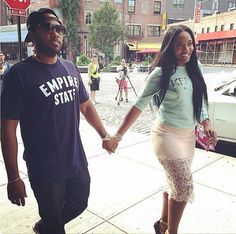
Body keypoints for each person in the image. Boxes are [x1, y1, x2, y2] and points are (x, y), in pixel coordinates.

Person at [1, 8, 118, 234]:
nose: (55, 33)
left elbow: (85, 105)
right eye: (48, 27)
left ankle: (45, 227)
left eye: (59, 28)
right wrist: (13, 177)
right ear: (32, 34)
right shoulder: (19, 75)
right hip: (45, 167)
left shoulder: (71, 68)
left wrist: (104, 135)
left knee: (80, 202)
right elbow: (7, 128)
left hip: (75, 159)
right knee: (56, 227)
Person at [111, 25, 218, 234]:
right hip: (166, 135)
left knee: (174, 184)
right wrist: (117, 136)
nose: (186, 49)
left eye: (190, 44)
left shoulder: (196, 68)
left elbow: (200, 103)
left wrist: (207, 125)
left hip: (187, 137)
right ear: (169, 48)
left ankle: (162, 224)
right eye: (179, 45)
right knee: (184, 187)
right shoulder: (160, 73)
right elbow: (138, 106)